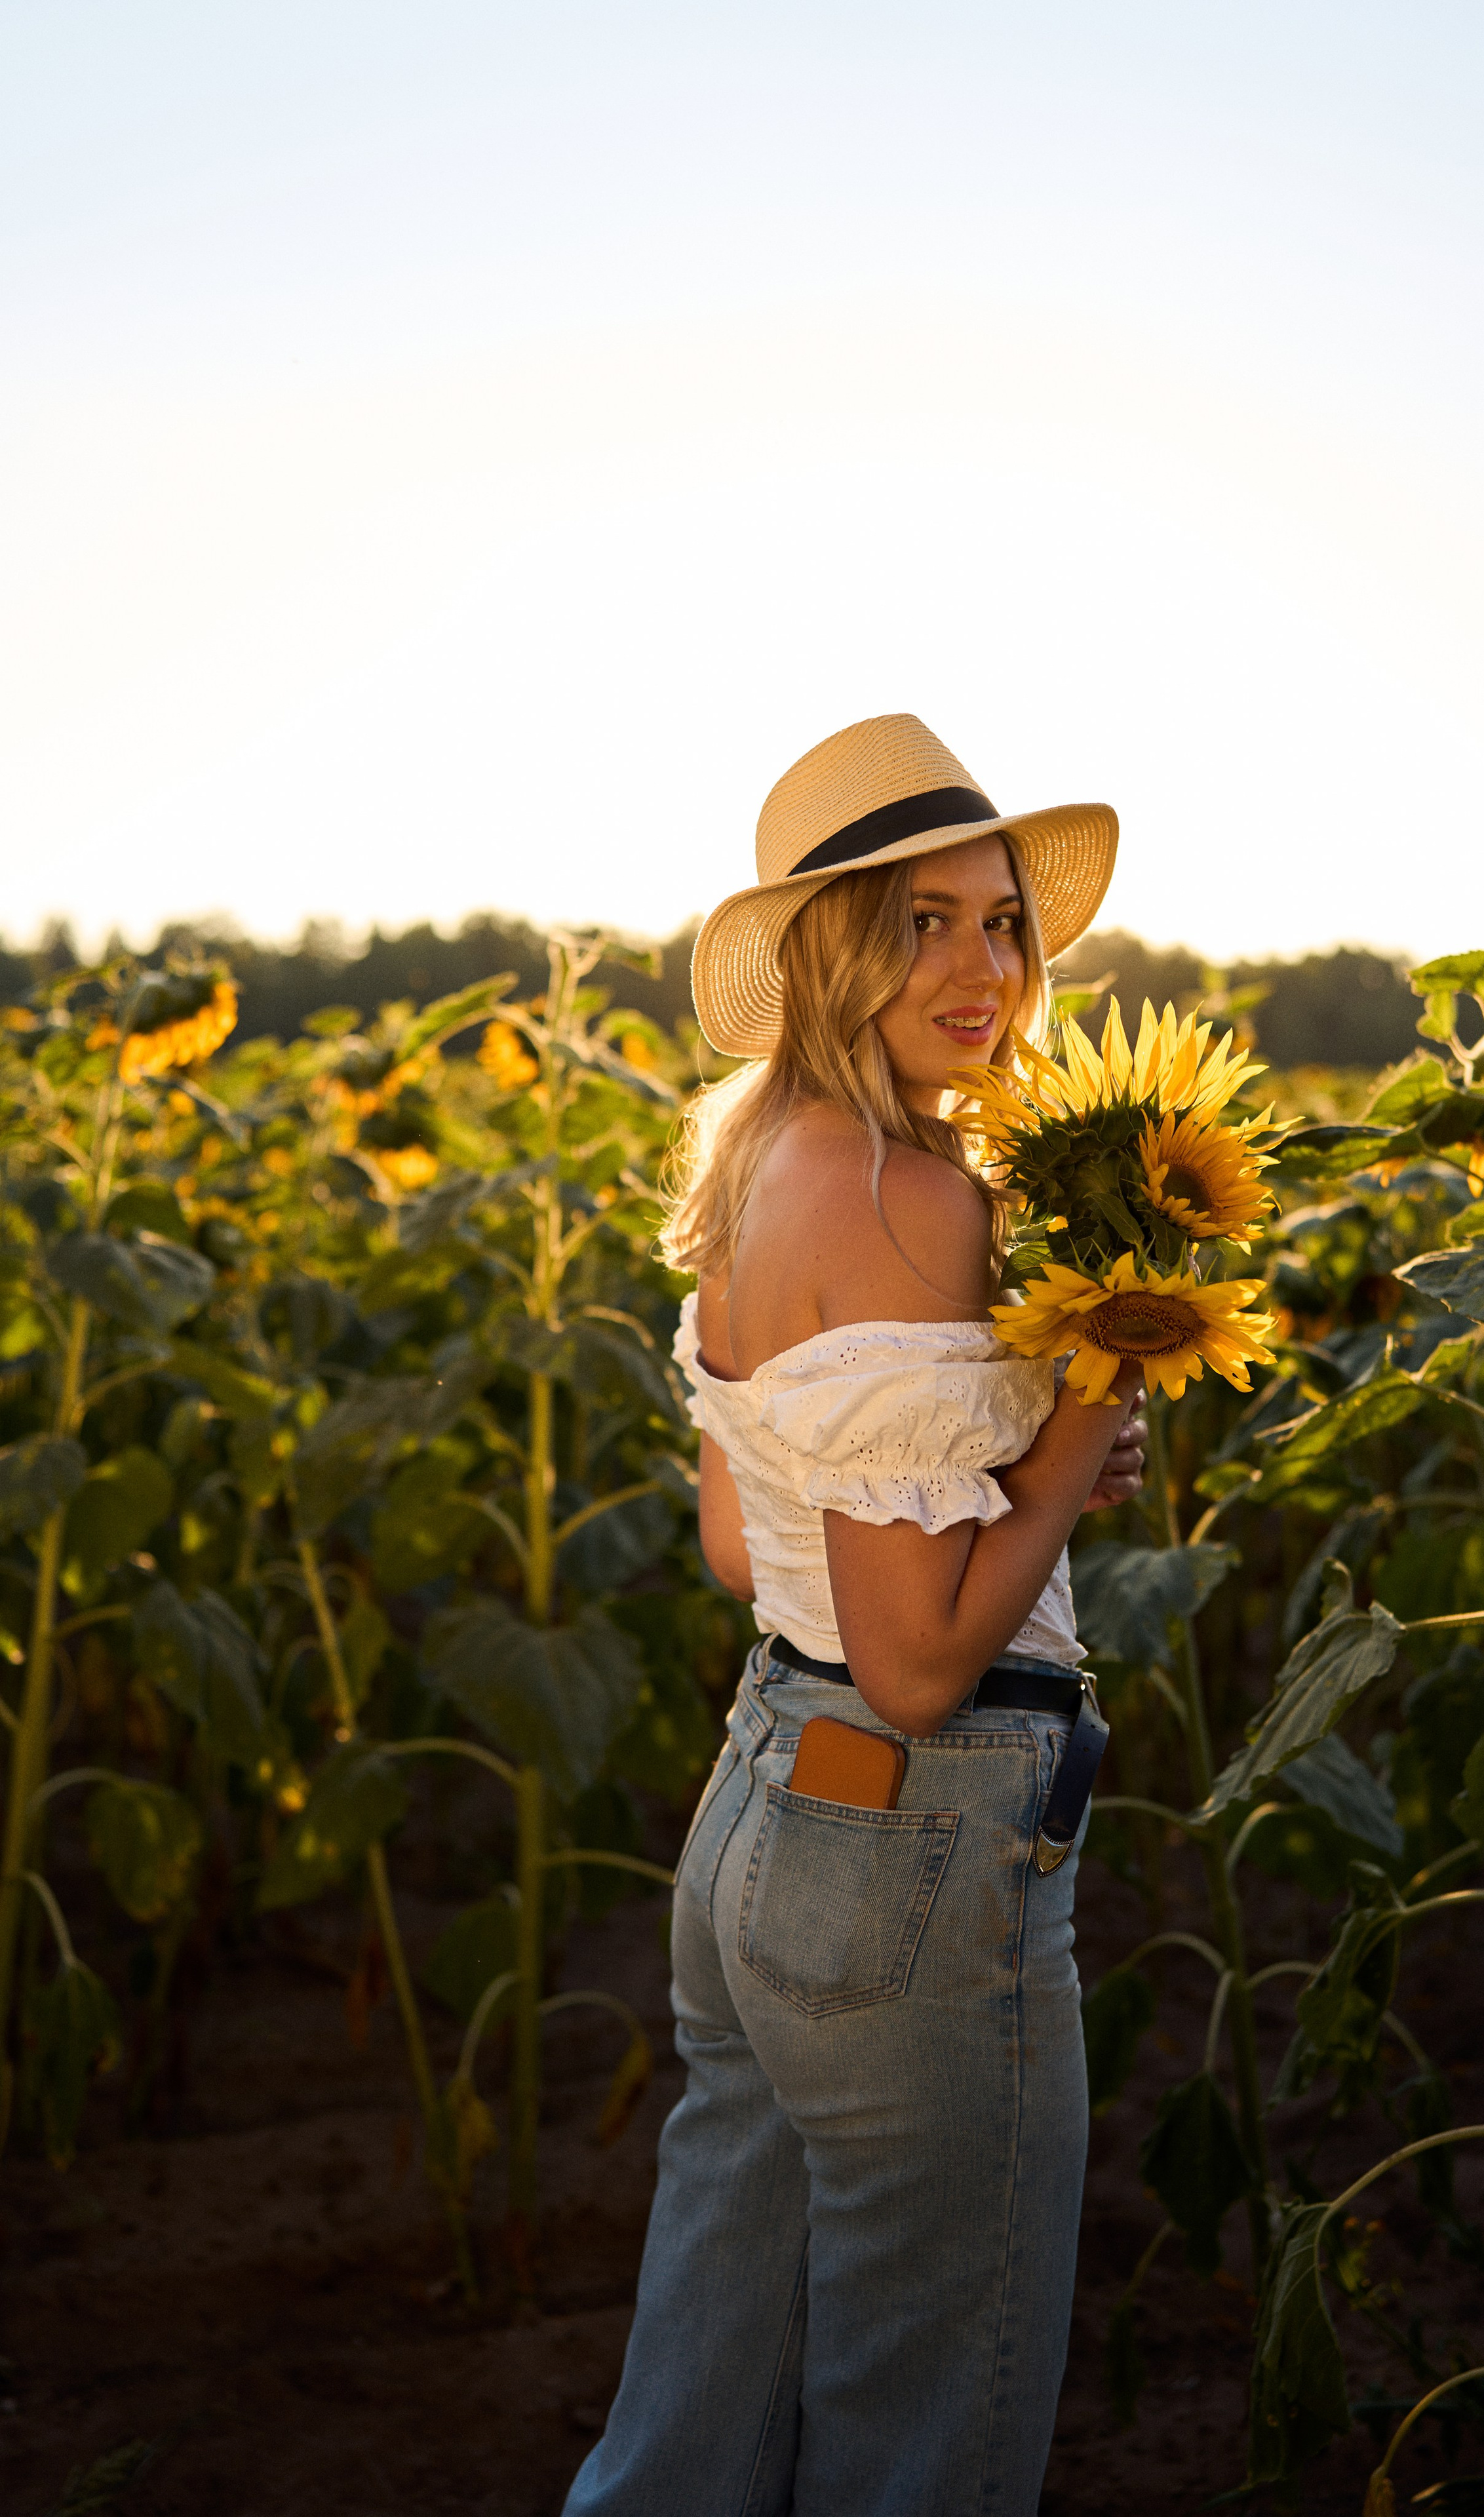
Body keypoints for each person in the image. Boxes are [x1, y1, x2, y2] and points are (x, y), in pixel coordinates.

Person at [564, 715, 1148, 2517]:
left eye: (999, 923)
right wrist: (1063, 1459)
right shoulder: (907, 1196)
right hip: (913, 1847)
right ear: (834, 952)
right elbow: (909, 1672)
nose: (979, 970)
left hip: (758, 1829)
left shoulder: (760, 1162)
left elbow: (749, 1547)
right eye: (919, 924)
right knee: (929, 2439)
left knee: (697, 2425)